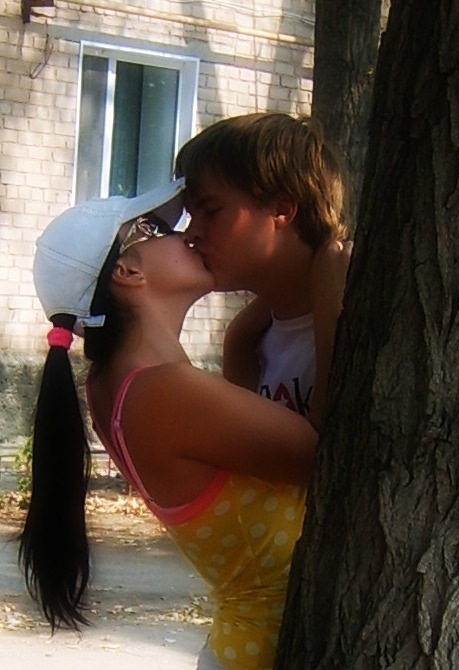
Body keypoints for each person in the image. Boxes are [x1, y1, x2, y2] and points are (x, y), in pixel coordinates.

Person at [19, 179, 344, 670]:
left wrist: (277, 282)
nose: (190, 234)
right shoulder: (161, 392)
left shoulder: (115, 384)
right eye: (157, 229)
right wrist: (332, 302)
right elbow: (327, 451)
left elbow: (237, 441)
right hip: (265, 652)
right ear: (128, 272)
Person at [174, 112, 352, 428]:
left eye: (211, 211)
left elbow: (329, 440)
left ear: (282, 210)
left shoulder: (363, 320)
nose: (191, 234)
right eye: (190, 216)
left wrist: (331, 319)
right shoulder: (254, 341)